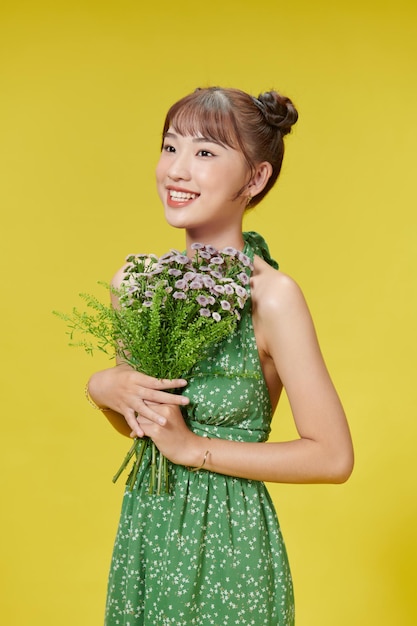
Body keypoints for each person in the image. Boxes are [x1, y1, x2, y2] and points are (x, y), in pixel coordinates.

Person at [87, 86, 354, 626]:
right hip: (148, 534)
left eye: (205, 152)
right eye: (170, 148)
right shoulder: (135, 284)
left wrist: (194, 449)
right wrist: (105, 388)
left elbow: (332, 457)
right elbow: (145, 424)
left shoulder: (273, 297)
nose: (177, 170)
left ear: (255, 178)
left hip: (230, 544)